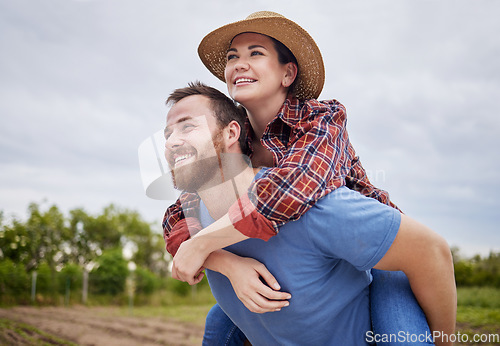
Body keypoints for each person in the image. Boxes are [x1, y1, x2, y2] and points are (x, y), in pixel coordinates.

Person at [162, 82, 456, 345]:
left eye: (187, 127)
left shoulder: (314, 195)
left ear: (231, 133)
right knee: (218, 324)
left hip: (383, 262)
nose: (171, 141)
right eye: (167, 133)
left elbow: (432, 250)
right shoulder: (193, 211)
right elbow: (175, 231)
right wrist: (224, 262)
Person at [163, 11, 401, 287]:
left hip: (377, 255)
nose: (239, 64)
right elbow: (180, 211)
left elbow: (293, 188)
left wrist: (202, 244)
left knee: (400, 328)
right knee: (220, 322)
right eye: (232, 57)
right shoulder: (233, 135)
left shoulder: (321, 118)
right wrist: (225, 262)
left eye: (255, 54)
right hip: (305, 266)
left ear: (287, 73)